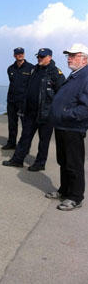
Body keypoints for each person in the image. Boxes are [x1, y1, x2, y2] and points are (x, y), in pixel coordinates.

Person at [3, 48, 65, 171]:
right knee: (25, 136)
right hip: (30, 112)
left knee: (43, 141)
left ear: (49, 57)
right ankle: (18, 160)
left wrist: (56, 112)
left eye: (42, 57)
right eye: (38, 57)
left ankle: (40, 163)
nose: (39, 59)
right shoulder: (35, 70)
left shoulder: (55, 73)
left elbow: (61, 94)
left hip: (46, 113)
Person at [47, 43, 88, 210]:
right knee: (63, 161)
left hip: (73, 128)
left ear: (84, 59)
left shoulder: (85, 77)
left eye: (73, 55)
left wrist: (65, 114)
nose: (69, 58)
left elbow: (85, 108)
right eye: (68, 55)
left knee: (74, 163)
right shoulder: (75, 75)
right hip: (62, 126)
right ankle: (64, 190)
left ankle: (76, 197)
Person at [2, 47, 34, 149]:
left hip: (24, 102)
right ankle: (11, 143)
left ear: (24, 54)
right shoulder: (10, 68)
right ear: (14, 55)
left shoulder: (31, 68)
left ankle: (25, 146)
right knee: (12, 124)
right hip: (12, 101)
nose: (20, 55)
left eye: (22, 53)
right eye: (18, 53)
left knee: (26, 126)